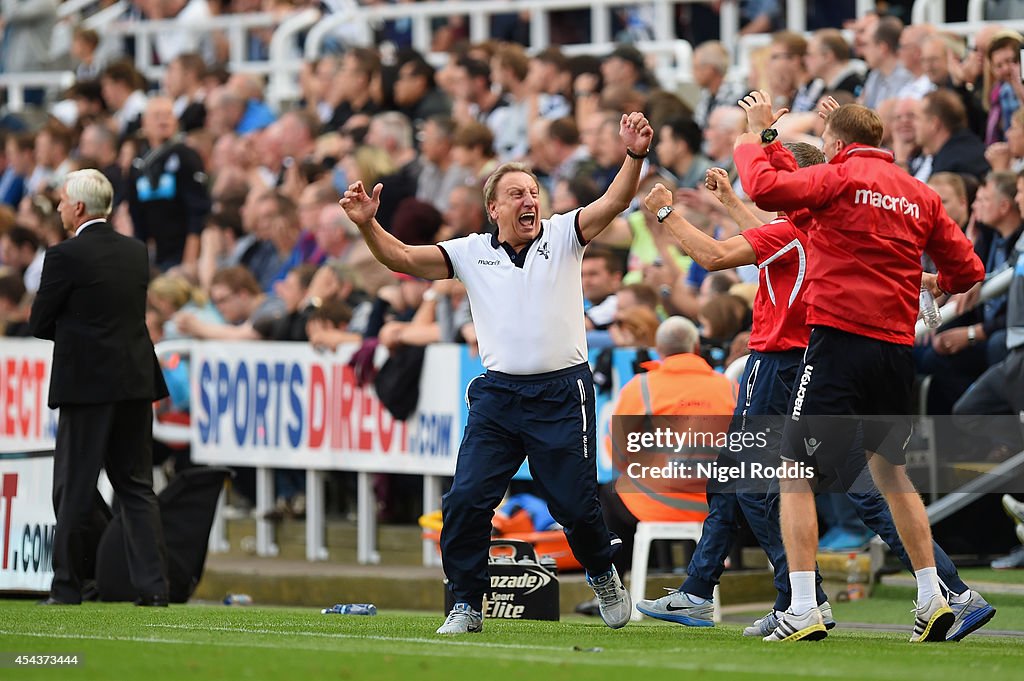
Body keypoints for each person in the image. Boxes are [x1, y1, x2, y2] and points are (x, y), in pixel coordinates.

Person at [636, 139, 994, 641]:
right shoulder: (823, 232)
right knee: (850, 486)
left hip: (780, 361)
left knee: (758, 481)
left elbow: (713, 254)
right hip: (817, 362)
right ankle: (942, 591)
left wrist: (665, 212)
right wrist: (731, 204)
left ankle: (793, 598)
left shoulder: (793, 230)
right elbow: (769, 238)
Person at [340, 111, 655, 635]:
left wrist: (634, 155)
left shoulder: (564, 234)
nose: (529, 200)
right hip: (499, 396)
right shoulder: (469, 251)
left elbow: (616, 202)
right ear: (493, 208)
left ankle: (602, 573)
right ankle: (466, 602)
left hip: (562, 391)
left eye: (533, 191)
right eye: (516, 194)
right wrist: (368, 224)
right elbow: (403, 260)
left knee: (575, 505)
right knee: (465, 499)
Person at [734, 94, 986, 642]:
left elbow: (765, 190)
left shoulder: (838, 180)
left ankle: (802, 606)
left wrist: (752, 136)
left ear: (838, 146)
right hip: (894, 352)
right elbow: (969, 269)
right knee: (893, 475)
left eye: (826, 145)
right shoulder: (919, 194)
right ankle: (932, 596)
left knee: (794, 471)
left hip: (838, 344)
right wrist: (936, 286)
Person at [29, 169, 170, 606]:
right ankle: (153, 588)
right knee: (136, 487)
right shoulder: (134, 252)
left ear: (78, 207)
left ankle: (68, 586)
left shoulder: (64, 255)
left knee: (74, 486)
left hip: (87, 385)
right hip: (133, 379)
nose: (57, 208)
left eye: (61, 201)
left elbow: (39, 322)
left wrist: (76, 335)